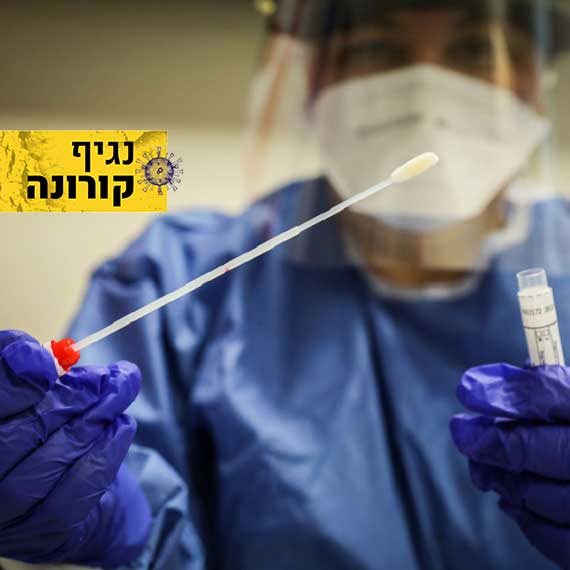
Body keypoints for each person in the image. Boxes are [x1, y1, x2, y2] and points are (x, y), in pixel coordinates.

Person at [2, 0, 570, 568]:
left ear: (537, 83)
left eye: (475, 48)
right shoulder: (183, 275)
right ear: (313, 78)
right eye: (375, 47)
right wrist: (112, 514)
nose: (425, 93)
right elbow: (107, 475)